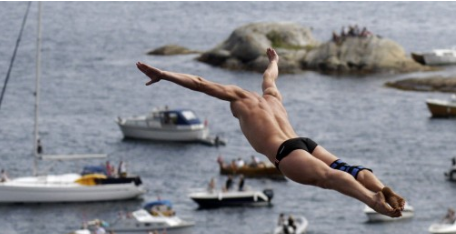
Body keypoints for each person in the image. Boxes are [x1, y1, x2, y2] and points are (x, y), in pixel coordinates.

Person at [136, 48, 405, 218]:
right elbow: (270, 76)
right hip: (305, 143)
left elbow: (200, 83)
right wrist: (274, 59)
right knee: (346, 168)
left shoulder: (238, 97)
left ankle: (372, 199)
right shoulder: (271, 96)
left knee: (329, 177)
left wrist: (165, 74)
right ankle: (382, 188)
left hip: (285, 153)